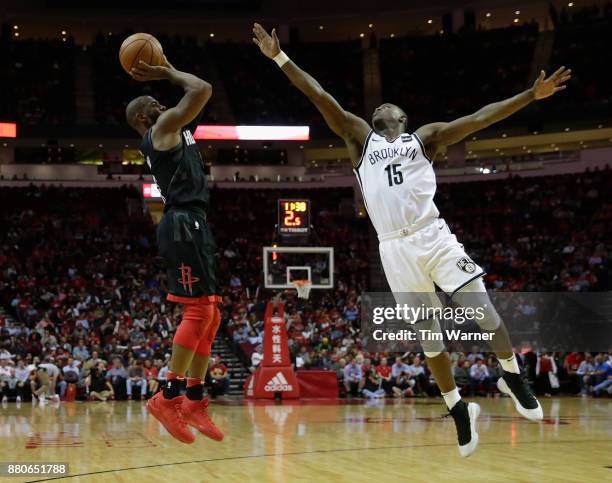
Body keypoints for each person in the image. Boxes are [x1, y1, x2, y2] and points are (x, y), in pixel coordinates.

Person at [252, 22, 569, 456]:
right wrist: (279, 58)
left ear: (403, 120)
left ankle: (512, 375)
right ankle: (457, 407)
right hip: (393, 248)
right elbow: (319, 96)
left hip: (432, 235)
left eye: (392, 106)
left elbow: (480, 118)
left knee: (484, 312)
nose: (383, 104)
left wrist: (530, 96)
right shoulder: (359, 138)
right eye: (379, 105)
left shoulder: (426, 139)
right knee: (429, 335)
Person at [126, 54, 223, 444]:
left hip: (194, 221)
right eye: (154, 105)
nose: (162, 105)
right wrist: (166, 69)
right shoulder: (162, 129)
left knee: (212, 313)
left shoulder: (174, 128)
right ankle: (167, 398)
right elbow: (202, 89)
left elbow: (197, 96)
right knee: (199, 309)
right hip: (181, 222)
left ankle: (195, 399)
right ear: (144, 119)